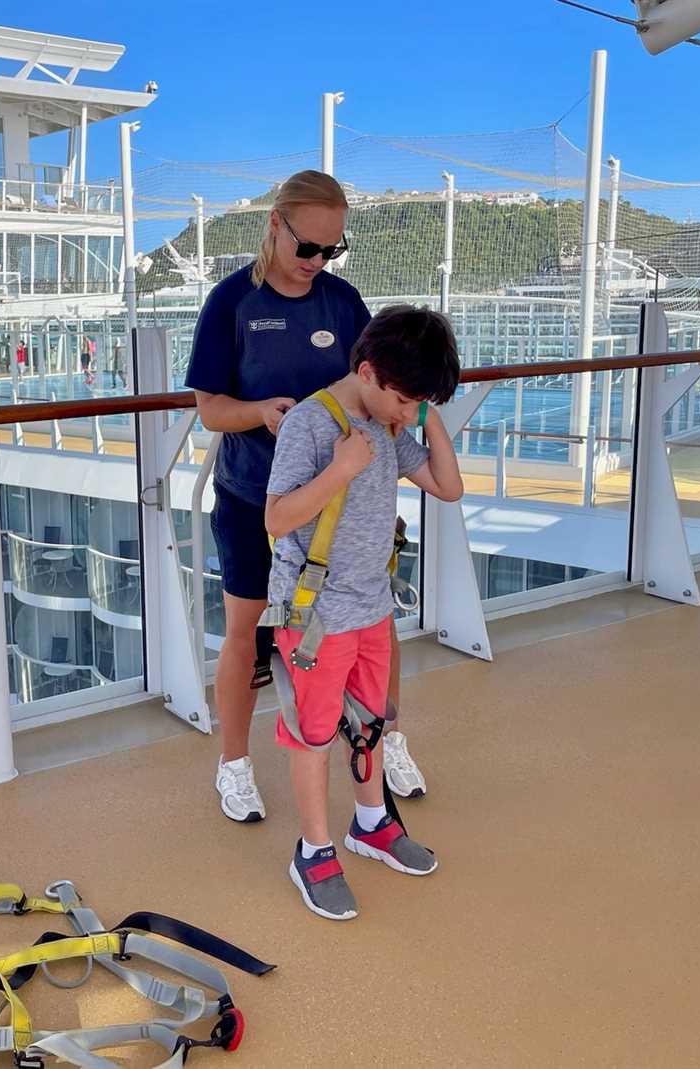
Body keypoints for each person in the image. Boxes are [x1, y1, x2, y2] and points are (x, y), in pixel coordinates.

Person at [185, 170, 428, 823]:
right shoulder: (231, 302)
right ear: (275, 225)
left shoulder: (344, 303)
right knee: (247, 633)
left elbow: (382, 388)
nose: (317, 264)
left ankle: (387, 737)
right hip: (253, 500)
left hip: (347, 505)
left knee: (376, 622)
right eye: (307, 249)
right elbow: (210, 409)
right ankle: (233, 765)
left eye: (332, 251)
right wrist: (261, 411)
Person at [268, 305, 462, 920]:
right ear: (370, 371)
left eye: (418, 403)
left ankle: (372, 823)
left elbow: (448, 487)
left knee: (372, 721)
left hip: (372, 606)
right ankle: (314, 849)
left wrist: (428, 419)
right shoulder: (310, 424)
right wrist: (342, 469)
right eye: (405, 399)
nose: (408, 414)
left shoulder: (390, 423)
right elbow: (276, 518)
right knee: (314, 732)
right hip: (316, 615)